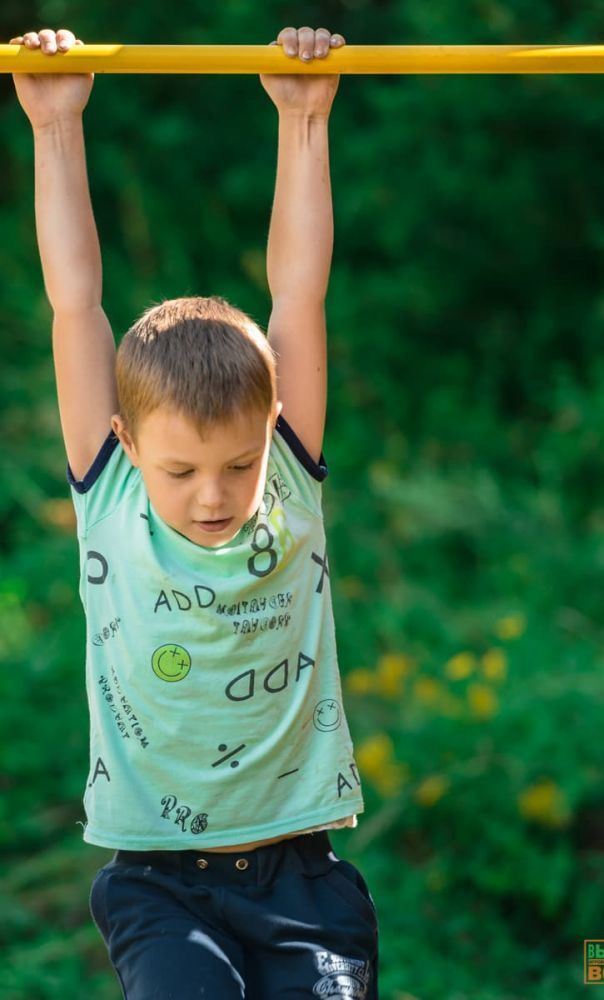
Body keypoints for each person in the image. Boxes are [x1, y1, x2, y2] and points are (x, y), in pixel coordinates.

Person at [10, 24, 379, 999]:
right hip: (160, 881)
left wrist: (302, 120)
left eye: (237, 463)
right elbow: (74, 305)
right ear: (128, 448)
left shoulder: (289, 479)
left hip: (303, 873)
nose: (213, 494)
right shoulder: (112, 491)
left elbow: (298, 297)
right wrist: (57, 128)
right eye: (181, 470)